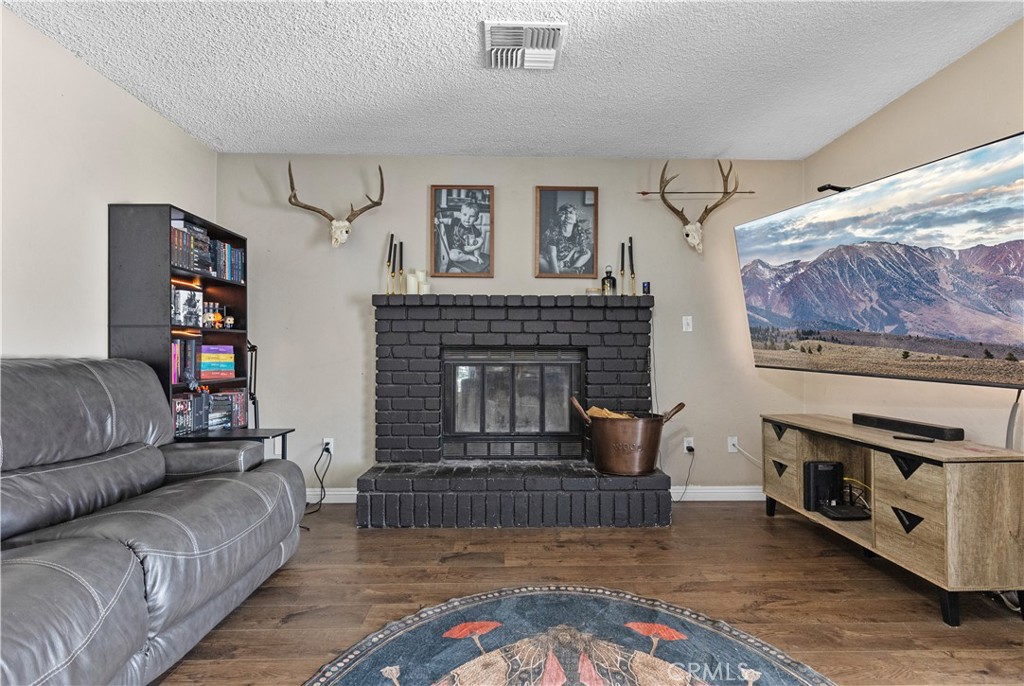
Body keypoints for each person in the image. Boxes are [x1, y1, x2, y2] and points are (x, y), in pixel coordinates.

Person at [540, 203, 592, 274]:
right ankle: (564, 270)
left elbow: (574, 248)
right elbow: (552, 254)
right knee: (539, 260)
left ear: (576, 219)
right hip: (551, 258)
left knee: (587, 253)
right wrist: (556, 274)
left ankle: (573, 269)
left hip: (566, 257)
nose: (568, 215)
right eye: (564, 213)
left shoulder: (577, 231)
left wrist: (566, 259)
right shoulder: (554, 232)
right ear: (559, 217)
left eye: (571, 213)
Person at [436, 201, 486, 270]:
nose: (467, 219)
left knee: (480, 240)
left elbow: (477, 246)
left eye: (471, 216)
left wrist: (477, 255)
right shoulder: (457, 221)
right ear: (460, 215)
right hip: (456, 249)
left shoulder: (475, 230)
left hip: (469, 249)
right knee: (452, 256)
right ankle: (468, 257)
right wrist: (439, 220)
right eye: (465, 215)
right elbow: (447, 221)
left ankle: (473, 256)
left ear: (476, 219)